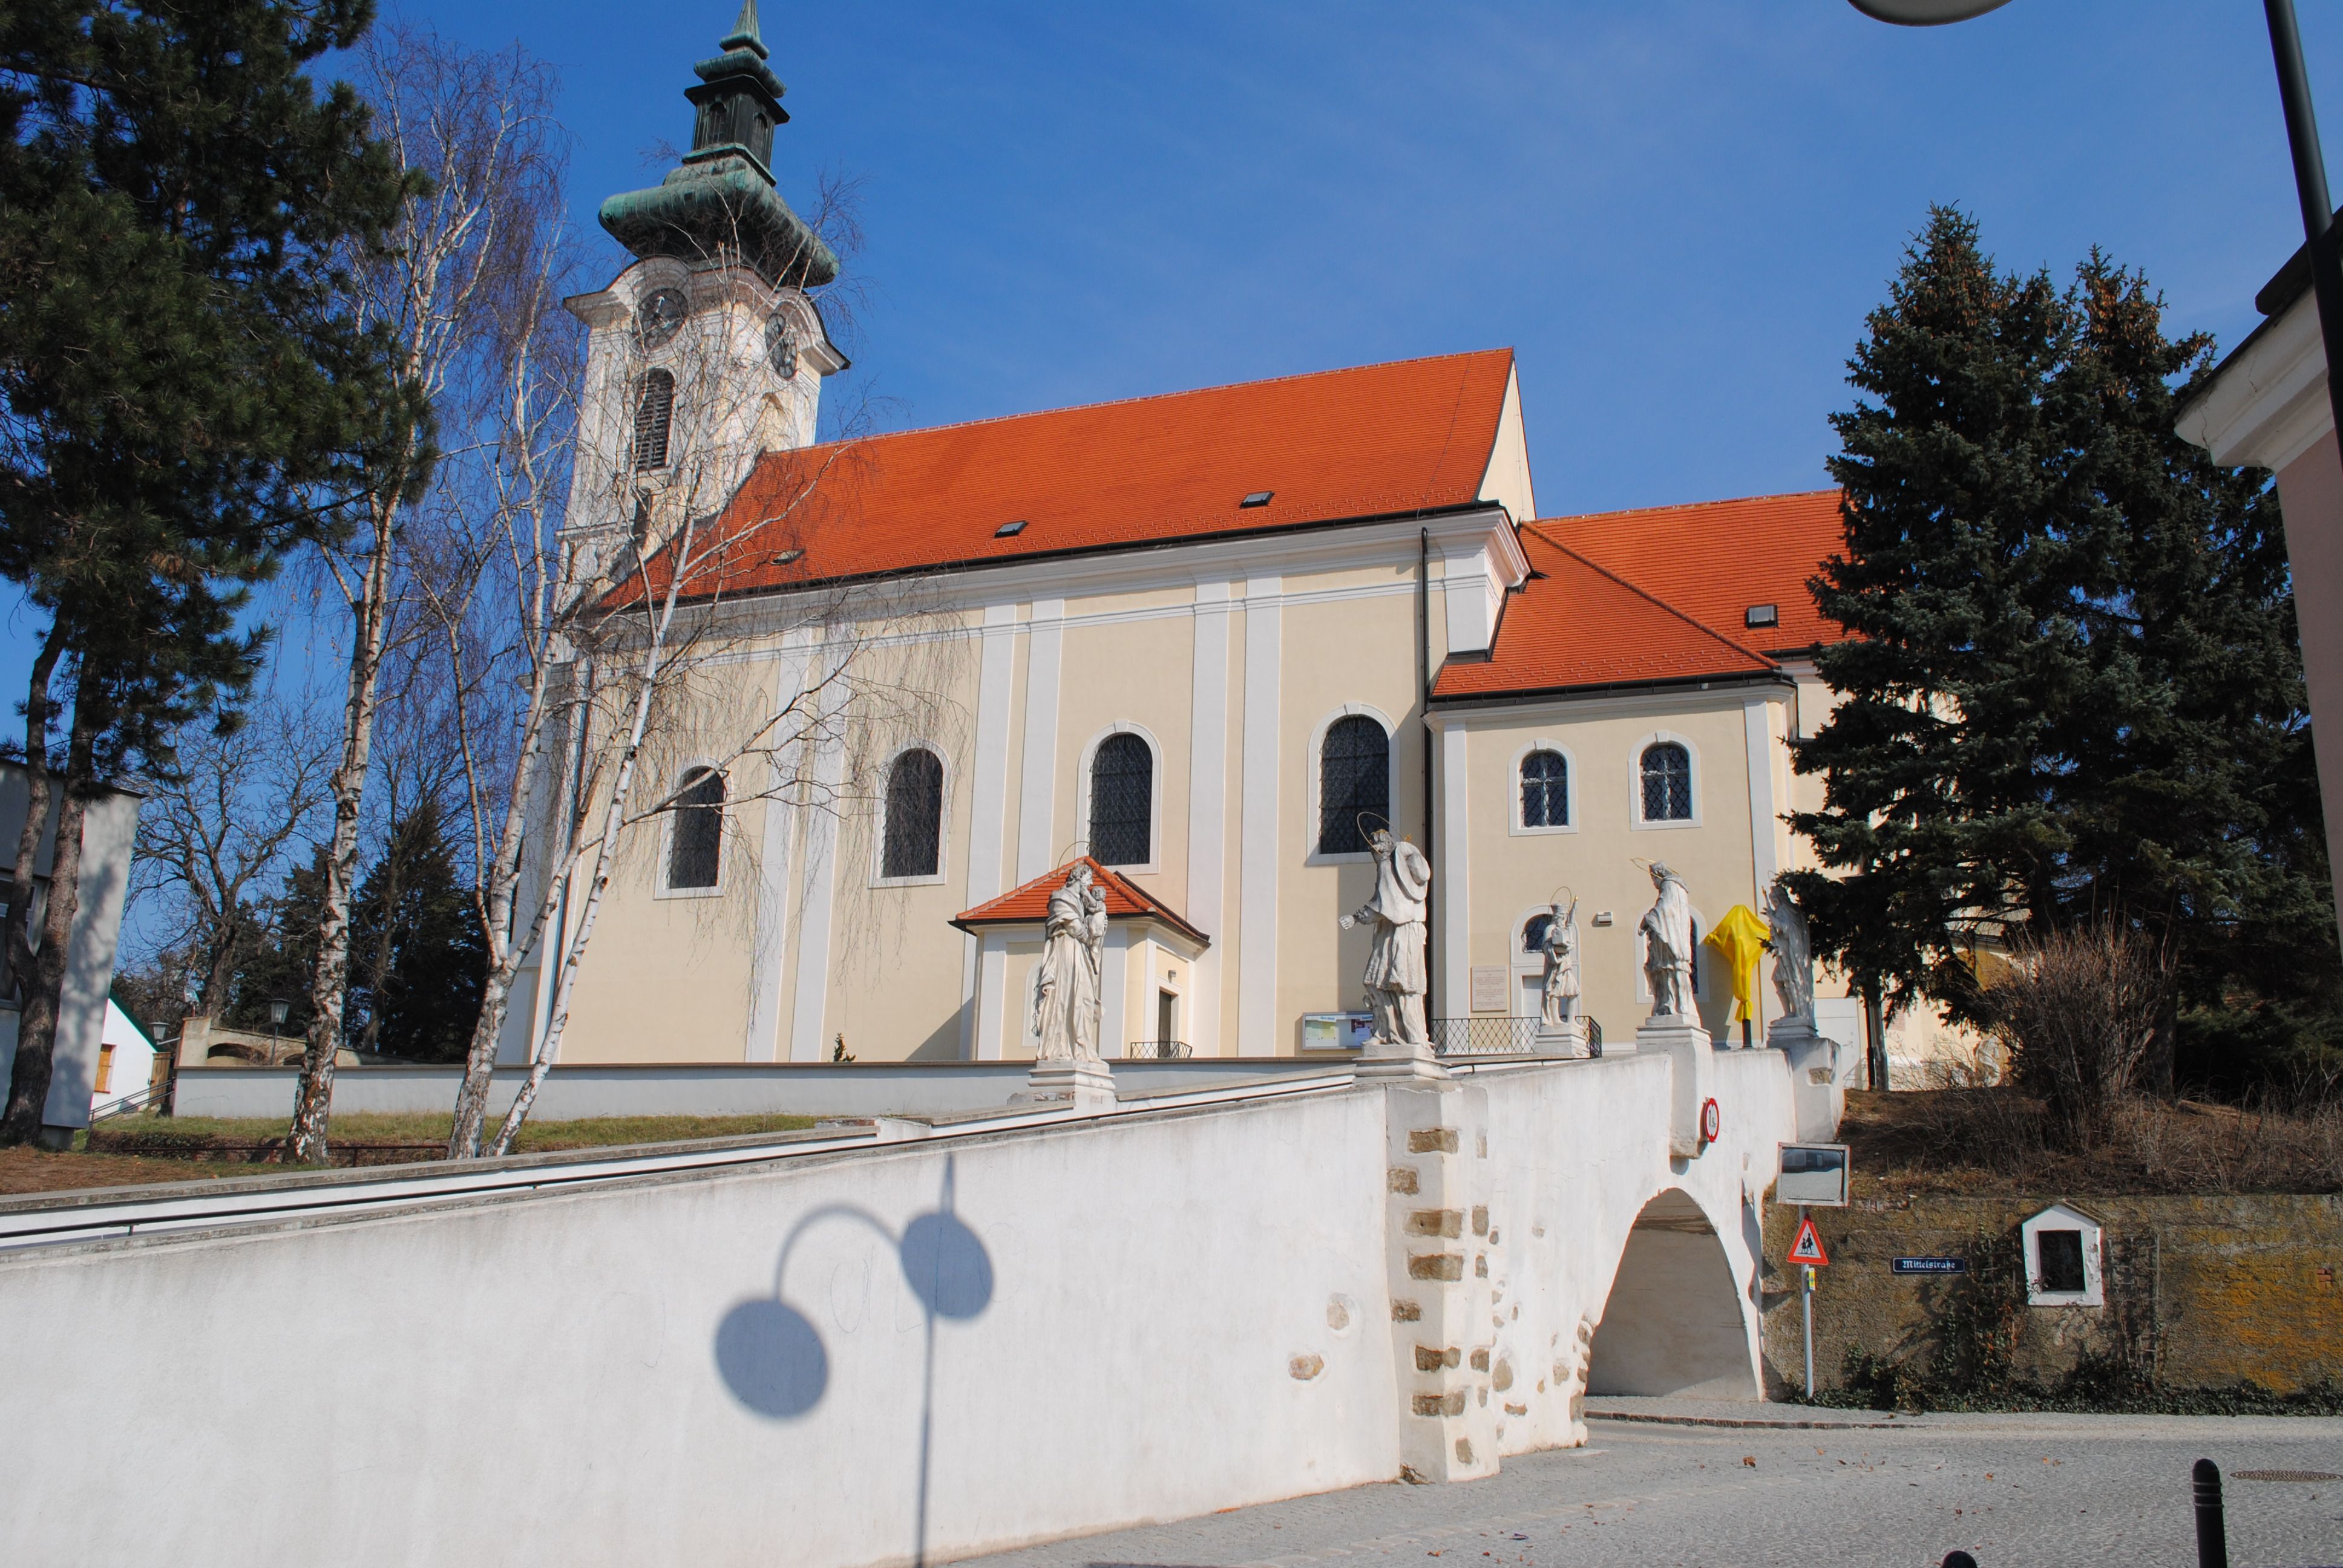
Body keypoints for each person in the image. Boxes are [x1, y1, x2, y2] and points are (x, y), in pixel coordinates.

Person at [1339, 829, 1432, 1047]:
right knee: (1391, 984)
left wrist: (1355, 918)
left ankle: (1398, 1036)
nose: (1372, 851)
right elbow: (1389, 903)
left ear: (1379, 846)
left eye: (1373, 846)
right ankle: (1398, 1035)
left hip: (1397, 933)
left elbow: (1384, 904)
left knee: (1392, 983)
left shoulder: (1387, 864)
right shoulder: (1406, 877)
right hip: (1403, 931)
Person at [1032, 863, 1104, 1061]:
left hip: (1079, 951)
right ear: (1079, 878)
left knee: (1084, 996)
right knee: (1065, 995)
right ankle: (1061, 1045)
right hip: (1066, 951)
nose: (1091, 883)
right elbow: (1073, 926)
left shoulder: (1082, 903)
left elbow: (1090, 919)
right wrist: (1089, 935)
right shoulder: (1060, 898)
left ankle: (1079, 1045)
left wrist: (1096, 928)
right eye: (1088, 879)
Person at [1639, 861, 1696, 1019]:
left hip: (1668, 940)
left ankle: (1671, 1005)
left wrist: (1647, 920)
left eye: (1653, 880)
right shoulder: (1679, 888)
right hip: (1675, 937)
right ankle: (1679, 1005)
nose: (1654, 885)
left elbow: (1664, 908)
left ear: (1658, 875)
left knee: (1668, 970)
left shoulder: (1669, 886)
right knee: (1672, 971)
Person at [1540, 899, 1580, 1028]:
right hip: (1556, 966)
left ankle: (1571, 1020)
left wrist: (1569, 946)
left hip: (1566, 966)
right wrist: (1564, 948)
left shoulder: (1566, 929)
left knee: (1574, 992)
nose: (1564, 918)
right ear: (1557, 916)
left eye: (1565, 916)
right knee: (1554, 992)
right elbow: (1547, 948)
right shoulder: (1550, 929)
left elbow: (1569, 943)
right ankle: (1555, 1019)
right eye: (1562, 916)